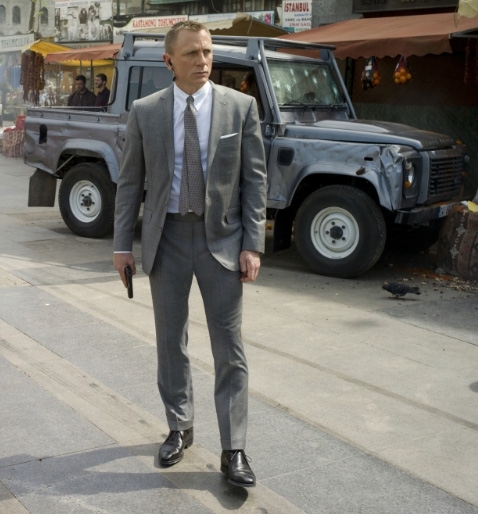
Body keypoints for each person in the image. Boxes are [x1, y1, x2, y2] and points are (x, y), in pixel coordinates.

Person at [113, 20, 267, 488]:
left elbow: (255, 181)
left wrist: (252, 244)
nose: (202, 61)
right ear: (169, 61)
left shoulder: (240, 107)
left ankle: (234, 449)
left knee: (230, 349)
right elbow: (130, 182)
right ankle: (179, 427)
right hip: (168, 240)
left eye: (207, 52)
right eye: (191, 54)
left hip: (223, 241)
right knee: (170, 342)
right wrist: (122, 246)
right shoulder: (146, 111)